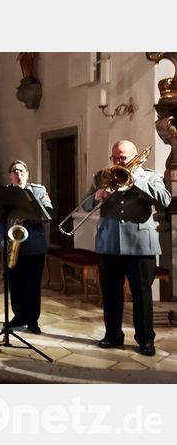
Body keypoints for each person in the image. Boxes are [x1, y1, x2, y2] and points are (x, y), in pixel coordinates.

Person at [87, 139, 170, 356]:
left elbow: (165, 200)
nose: (117, 161)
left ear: (134, 156)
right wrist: (97, 196)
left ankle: (145, 340)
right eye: (114, 157)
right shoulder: (102, 176)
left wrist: (137, 181)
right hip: (109, 244)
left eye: (122, 157)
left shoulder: (150, 176)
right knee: (111, 294)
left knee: (142, 295)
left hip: (141, 246)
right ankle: (112, 336)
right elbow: (85, 205)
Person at [0, 160, 53, 334]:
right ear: (10, 175)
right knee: (15, 284)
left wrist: (30, 204)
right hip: (12, 243)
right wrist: (2, 240)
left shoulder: (38, 191)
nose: (18, 174)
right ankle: (19, 317)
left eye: (21, 171)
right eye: (14, 171)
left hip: (34, 244)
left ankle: (33, 320)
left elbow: (48, 213)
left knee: (32, 285)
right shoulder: (4, 193)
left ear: (27, 173)